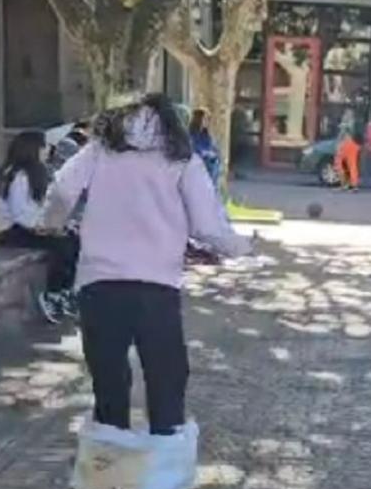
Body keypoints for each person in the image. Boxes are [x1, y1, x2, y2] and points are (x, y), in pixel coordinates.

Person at [42, 93, 251, 437]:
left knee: (109, 384)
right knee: (166, 381)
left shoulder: (98, 150)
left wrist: (50, 222)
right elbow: (206, 226)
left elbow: (63, 191)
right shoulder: (181, 157)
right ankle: (163, 476)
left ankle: (108, 475)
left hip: (100, 282)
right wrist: (240, 248)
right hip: (157, 286)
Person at [0, 130, 79, 324]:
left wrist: (56, 223)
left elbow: (38, 208)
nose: (48, 150)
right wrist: (46, 228)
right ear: (32, 148)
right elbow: (21, 214)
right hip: (10, 231)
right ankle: (52, 293)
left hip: (25, 227)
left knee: (73, 237)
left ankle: (66, 290)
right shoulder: (16, 175)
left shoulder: (32, 173)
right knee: (60, 244)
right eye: (44, 146)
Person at [189, 108, 221, 187]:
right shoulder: (191, 134)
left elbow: (213, 147)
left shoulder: (206, 134)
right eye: (205, 119)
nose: (206, 122)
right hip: (197, 163)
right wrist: (205, 154)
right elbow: (193, 148)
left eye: (207, 119)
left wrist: (213, 154)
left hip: (209, 163)